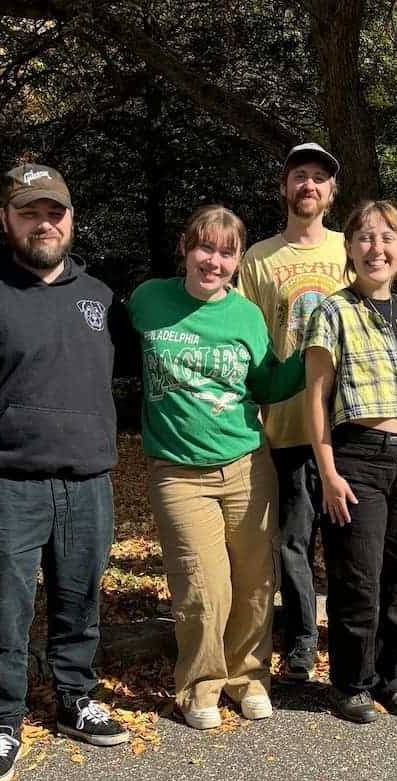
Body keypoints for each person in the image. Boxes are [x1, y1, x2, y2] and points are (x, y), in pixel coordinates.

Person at [0, 163, 129, 781]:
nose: (44, 224)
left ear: (71, 219)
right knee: (4, 612)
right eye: (29, 213)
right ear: (7, 220)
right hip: (1, 486)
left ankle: (75, 696)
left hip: (86, 484)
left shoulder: (99, 298)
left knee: (80, 601)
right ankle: (3, 722)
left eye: (54, 212)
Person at [129, 205, 304, 730]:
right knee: (203, 587)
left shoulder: (246, 315)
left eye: (227, 252)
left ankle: (249, 678)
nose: (214, 260)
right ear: (185, 247)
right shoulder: (148, 300)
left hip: (248, 465)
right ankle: (200, 685)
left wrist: (313, 353)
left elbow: (267, 385)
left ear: (236, 260)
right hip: (179, 472)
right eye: (205, 247)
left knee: (254, 582)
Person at [303, 200, 397, 723]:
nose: (376, 248)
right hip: (357, 459)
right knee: (358, 580)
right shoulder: (333, 312)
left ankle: (393, 678)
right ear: (350, 248)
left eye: (387, 238)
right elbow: (315, 398)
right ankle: (351, 684)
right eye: (364, 237)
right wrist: (329, 472)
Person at [238, 142, 348, 680]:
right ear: (284, 188)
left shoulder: (353, 250)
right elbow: (249, 344)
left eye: (319, 178)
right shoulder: (259, 258)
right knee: (293, 544)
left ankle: (354, 640)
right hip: (284, 424)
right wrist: (253, 411)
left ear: (331, 193)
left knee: (350, 543)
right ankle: (302, 639)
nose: (309, 185)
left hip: (349, 423)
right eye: (299, 176)